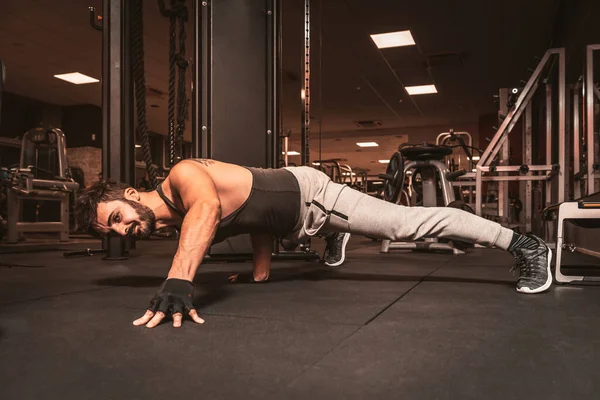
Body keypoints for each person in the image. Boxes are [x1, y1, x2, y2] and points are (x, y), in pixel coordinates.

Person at [75, 159, 553, 329]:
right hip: (291, 220)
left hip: (315, 196)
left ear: (132, 196)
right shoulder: (183, 219)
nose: (121, 230)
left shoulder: (183, 179)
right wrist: (260, 276)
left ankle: (525, 245)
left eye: (117, 217)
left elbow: (209, 213)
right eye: (111, 232)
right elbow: (252, 221)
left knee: (406, 225)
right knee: (304, 231)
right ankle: (332, 234)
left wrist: (179, 282)